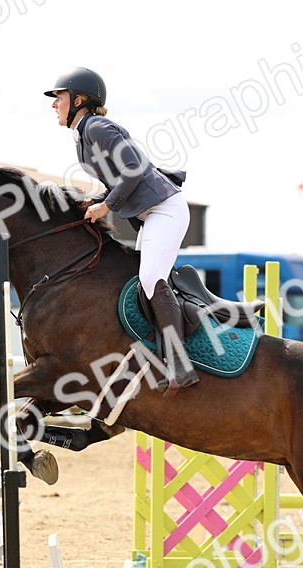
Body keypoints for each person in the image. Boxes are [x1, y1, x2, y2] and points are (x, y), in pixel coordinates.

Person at [45, 67, 196, 396]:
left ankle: (179, 363)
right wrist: (96, 199)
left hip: (164, 210)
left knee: (151, 278)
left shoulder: (97, 127)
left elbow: (134, 169)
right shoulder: (84, 136)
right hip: (150, 213)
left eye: (59, 97)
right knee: (139, 279)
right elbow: (117, 181)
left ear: (79, 100)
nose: (54, 104)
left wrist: (107, 207)